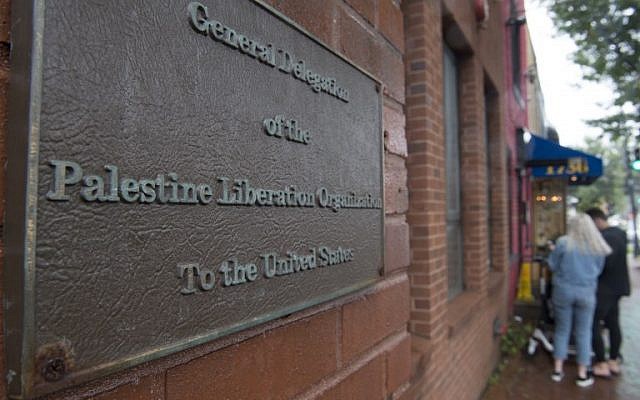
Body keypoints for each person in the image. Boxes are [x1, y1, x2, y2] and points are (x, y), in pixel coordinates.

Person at [547, 213, 611, 387]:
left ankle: (558, 370)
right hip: (587, 292)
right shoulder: (597, 246)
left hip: (563, 290)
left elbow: (552, 265)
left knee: (562, 329)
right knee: (584, 332)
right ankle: (582, 374)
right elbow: (599, 270)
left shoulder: (563, 243)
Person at [585, 208, 631, 377]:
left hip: (605, 288)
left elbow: (603, 264)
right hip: (619, 287)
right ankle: (613, 360)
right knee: (613, 323)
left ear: (597, 221)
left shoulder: (606, 238)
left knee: (594, 323)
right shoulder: (620, 234)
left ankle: (601, 362)